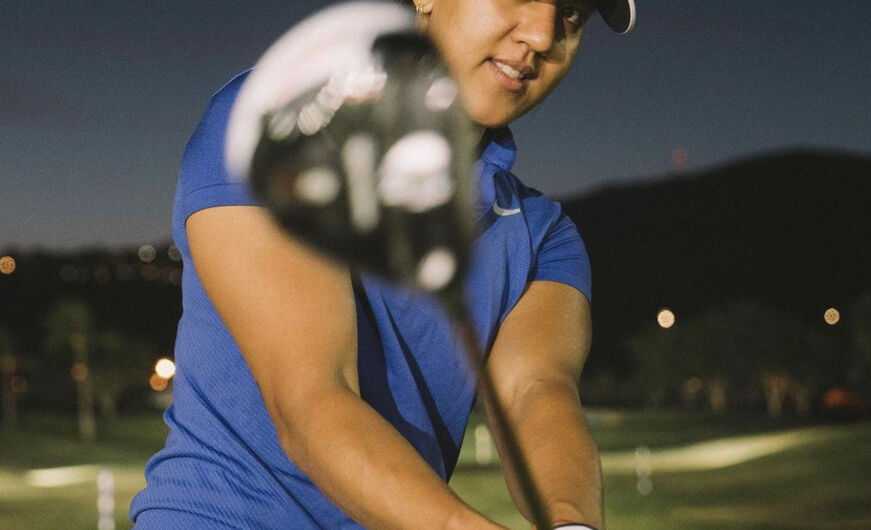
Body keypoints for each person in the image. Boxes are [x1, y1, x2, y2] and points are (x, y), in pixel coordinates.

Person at [130, 0, 634, 528]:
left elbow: (535, 394)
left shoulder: (541, 235)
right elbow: (314, 401)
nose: (541, 34)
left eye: (573, 13)